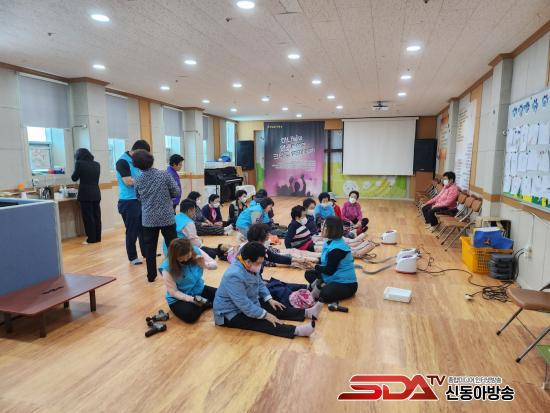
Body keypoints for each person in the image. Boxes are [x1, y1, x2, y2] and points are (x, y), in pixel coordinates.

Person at [213, 242, 321, 339]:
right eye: (259, 263)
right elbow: (244, 304)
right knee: (263, 321)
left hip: (246, 303)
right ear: (248, 261)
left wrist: (269, 299)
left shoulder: (248, 265)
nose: (260, 265)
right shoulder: (233, 275)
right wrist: (266, 315)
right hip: (229, 314)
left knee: (274, 306)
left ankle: (307, 313)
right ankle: (296, 330)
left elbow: (259, 283)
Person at [133, 150, 180, 282]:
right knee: (173, 246)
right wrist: (166, 197)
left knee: (150, 248)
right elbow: (176, 192)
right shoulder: (164, 175)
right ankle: (176, 273)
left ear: (137, 165)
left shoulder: (138, 180)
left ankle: (151, 276)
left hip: (148, 218)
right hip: (167, 216)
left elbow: (138, 197)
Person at [160, 238, 217, 324]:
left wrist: (205, 265)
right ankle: (206, 304)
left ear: (191, 250)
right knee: (190, 315)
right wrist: (192, 299)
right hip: (179, 298)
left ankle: (204, 304)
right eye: (181, 259)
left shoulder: (196, 251)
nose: (186, 260)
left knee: (222, 294)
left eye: (187, 256)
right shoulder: (167, 268)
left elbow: (215, 265)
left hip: (199, 289)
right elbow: (174, 292)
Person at [305, 216, 358, 303]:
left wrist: (315, 266)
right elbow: (325, 260)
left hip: (346, 284)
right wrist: (314, 262)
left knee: (325, 294)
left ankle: (322, 286)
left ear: (331, 229)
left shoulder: (337, 248)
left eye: (324, 226)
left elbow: (329, 270)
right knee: (308, 273)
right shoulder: (329, 242)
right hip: (332, 276)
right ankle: (322, 285)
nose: (321, 228)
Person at [116, 139, 150, 265]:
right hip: (128, 202)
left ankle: (146, 252)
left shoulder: (136, 161)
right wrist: (145, 180)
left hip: (139, 199)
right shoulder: (122, 162)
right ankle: (132, 257)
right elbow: (128, 182)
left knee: (143, 229)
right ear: (137, 151)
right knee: (132, 231)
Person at [71, 148, 101, 244]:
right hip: (96, 193)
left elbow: (74, 178)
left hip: (85, 194)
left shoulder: (79, 163)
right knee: (96, 216)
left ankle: (91, 239)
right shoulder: (97, 164)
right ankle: (97, 238)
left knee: (88, 217)